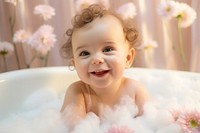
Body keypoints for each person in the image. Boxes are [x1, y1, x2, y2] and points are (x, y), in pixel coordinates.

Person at [60, 4, 149, 129]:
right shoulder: (78, 92)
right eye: (84, 53)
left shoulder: (135, 90)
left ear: (128, 58)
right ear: (75, 65)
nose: (97, 59)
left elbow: (152, 124)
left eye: (107, 49)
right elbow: (71, 128)